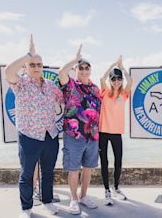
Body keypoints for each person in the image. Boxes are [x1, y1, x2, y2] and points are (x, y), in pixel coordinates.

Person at [5, 35, 62, 218]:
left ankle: (47, 202)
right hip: (29, 136)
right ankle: (26, 208)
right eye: (32, 64)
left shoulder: (51, 85)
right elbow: (8, 71)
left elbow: (64, 101)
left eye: (39, 64)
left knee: (48, 171)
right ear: (26, 67)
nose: (36, 68)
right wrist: (28, 53)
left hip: (50, 135)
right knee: (27, 174)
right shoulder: (20, 84)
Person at [58, 45, 101, 215]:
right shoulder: (70, 85)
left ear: (90, 71)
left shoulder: (95, 89)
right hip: (74, 135)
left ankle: (84, 197)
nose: (84, 70)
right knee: (74, 169)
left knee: (88, 168)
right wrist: (75, 59)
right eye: (80, 67)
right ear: (75, 70)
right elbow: (62, 72)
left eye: (86, 67)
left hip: (92, 135)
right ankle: (74, 199)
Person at [99, 55, 132, 205]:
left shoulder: (124, 94)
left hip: (116, 132)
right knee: (104, 162)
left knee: (118, 161)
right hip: (103, 132)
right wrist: (112, 64)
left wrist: (122, 66)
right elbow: (101, 78)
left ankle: (116, 187)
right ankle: (106, 189)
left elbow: (130, 81)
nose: (116, 81)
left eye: (119, 79)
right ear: (110, 81)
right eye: (114, 79)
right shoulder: (105, 92)